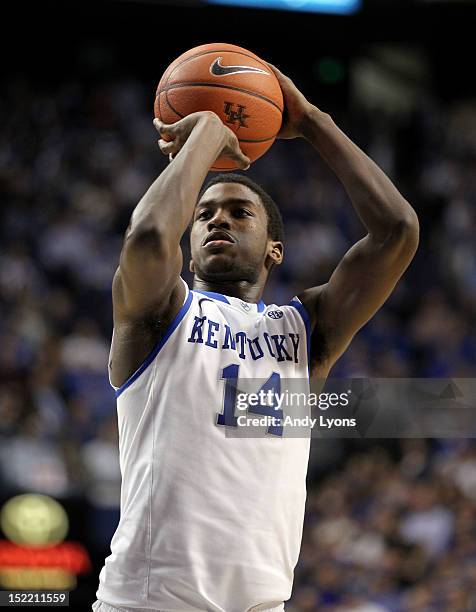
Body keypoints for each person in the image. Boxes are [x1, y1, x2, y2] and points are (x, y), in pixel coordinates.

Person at [93, 65, 419, 612]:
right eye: (203, 214)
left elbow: (398, 232)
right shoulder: (159, 312)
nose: (218, 219)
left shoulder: (306, 331)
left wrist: (314, 122)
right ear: (190, 241)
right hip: (148, 602)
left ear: (274, 249)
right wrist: (207, 140)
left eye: (239, 212)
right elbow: (149, 235)